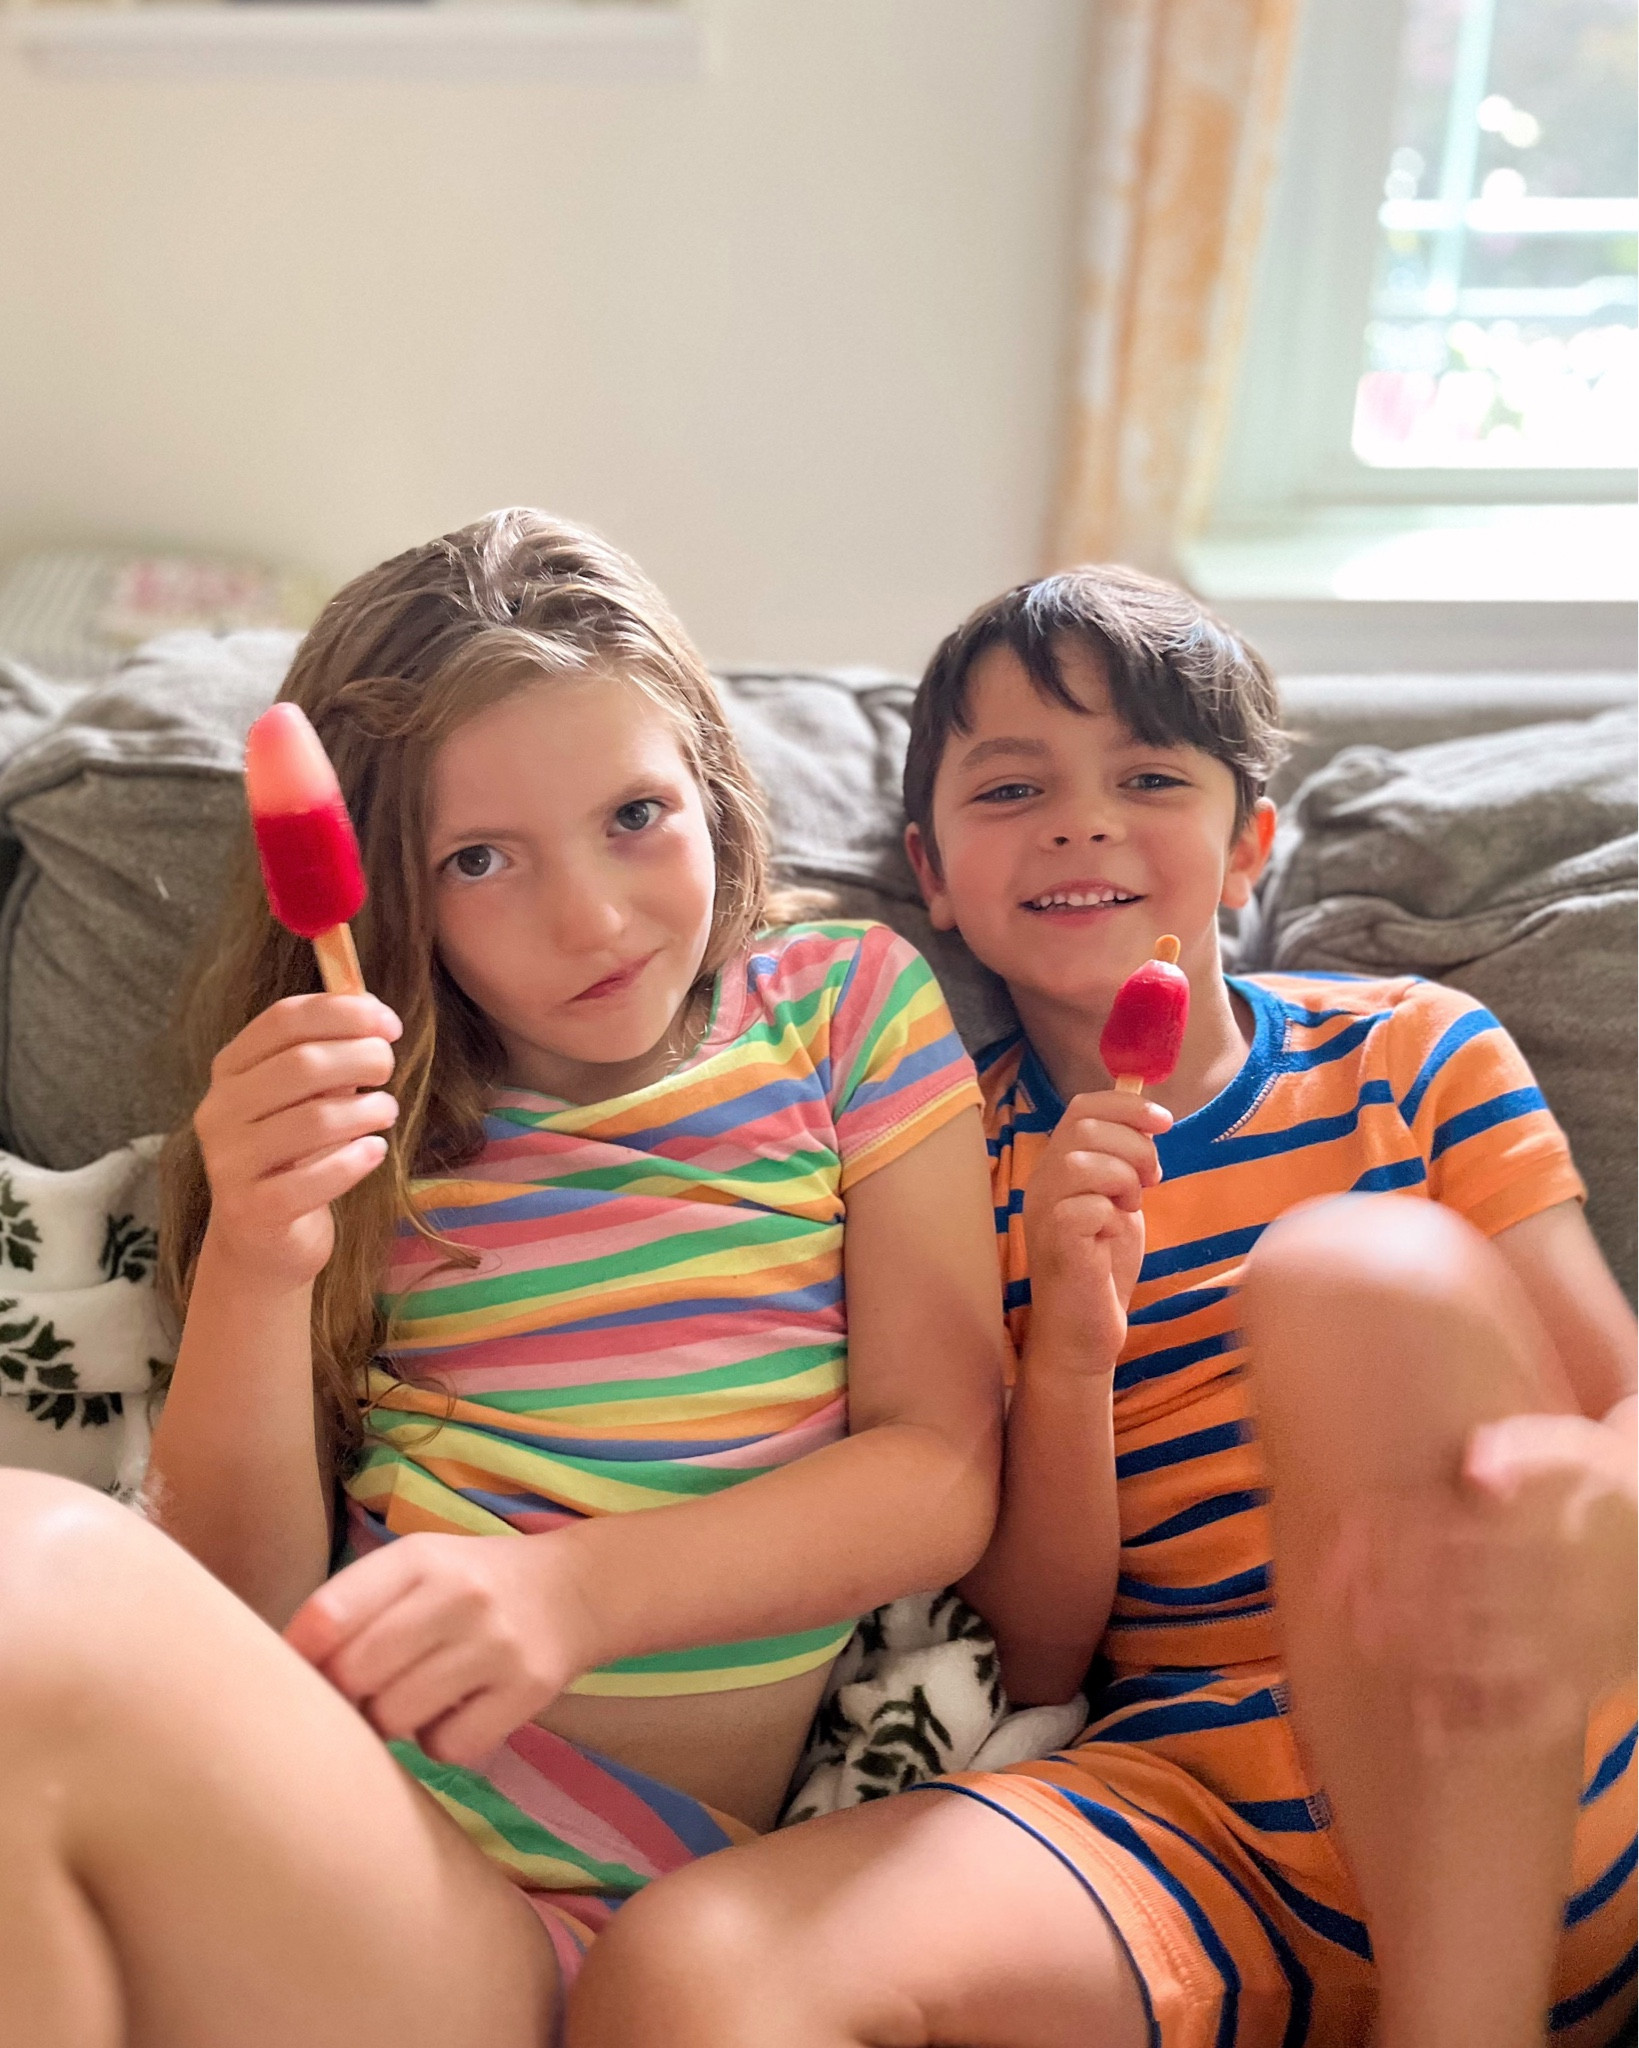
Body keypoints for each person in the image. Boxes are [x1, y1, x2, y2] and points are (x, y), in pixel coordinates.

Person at [571, 567, 1637, 2048]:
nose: (1081, 821)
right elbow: (1048, 1650)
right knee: (699, 1967)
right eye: (1011, 790)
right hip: (1198, 1818)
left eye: (1148, 776)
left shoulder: (1409, 1054)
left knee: (1350, 1275)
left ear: (1249, 843)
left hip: (1534, 1774)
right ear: (930, 874)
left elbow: (1615, 1405)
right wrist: (1068, 1351)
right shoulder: (944, 1165)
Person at [0, 509, 1005, 2048]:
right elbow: (247, 1596)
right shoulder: (366, 1103)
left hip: (577, 1903)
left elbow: (939, 1469)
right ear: (391, 895)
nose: (592, 919)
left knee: (33, 1574)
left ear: (714, 788)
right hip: (312, 1792)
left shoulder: (845, 1009)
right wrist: (262, 1265)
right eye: (481, 860)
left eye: (634, 817)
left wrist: (568, 1593)